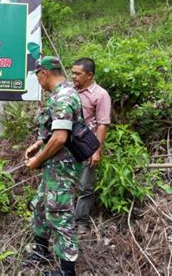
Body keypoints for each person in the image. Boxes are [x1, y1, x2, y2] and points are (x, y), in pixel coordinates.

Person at [23, 56, 84, 276]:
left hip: (62, 168)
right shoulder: (58, 96)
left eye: (37, 76)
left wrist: (37, 161)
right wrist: (38, 144)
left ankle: (68, 270)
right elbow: (53, 133)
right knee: (40, 204)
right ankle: (41, 251)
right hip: (53, 166)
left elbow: (60, 138)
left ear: (44, 74)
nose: (37, 81)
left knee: (59, 212)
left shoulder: (64, 97)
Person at [71, 58, 111, 234]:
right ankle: (64, 220)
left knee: (85, 186)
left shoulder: (100, 95)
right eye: (72, 73)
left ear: (89, 75)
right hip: (66, 145)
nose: (74, 77)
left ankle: (81, 223)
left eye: (78, 74)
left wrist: (96, 150)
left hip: (87, 146)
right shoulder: (69, 91)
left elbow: (103, 124)